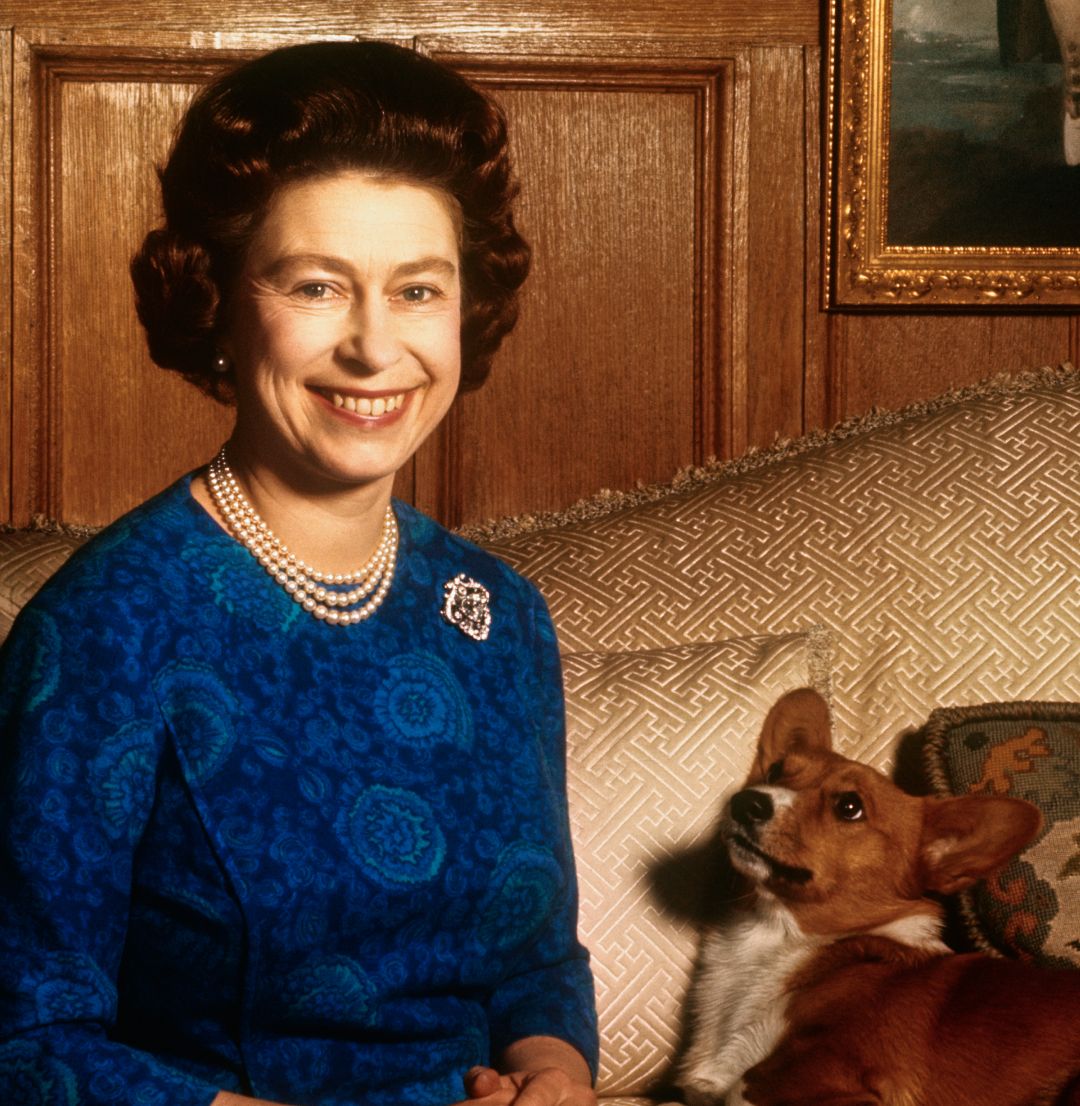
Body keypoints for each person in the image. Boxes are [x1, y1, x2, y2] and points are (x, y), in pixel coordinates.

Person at [0, 40, 598, 1106]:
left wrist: (554, 1074)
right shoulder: (103, 626)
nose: (374, 348)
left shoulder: (497, 616)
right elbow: (27, 1035)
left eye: (418, 290)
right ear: (222, 302)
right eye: (318, 285)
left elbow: (536, 964)